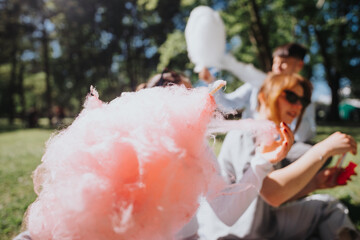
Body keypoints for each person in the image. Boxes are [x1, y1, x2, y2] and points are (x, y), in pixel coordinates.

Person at [196, 73, 359, 239]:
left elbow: (265, 199)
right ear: (263, 96)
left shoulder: (273, 136)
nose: (298, 106)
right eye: (291, 96)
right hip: (234, 233)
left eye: (303, 101)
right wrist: (322, 149)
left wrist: (316, 182)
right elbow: (272, 193)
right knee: (328, 211)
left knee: (328, 206)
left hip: (265, 223)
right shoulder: (245, 132)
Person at [201, 42, 316, 144]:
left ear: (299, 65)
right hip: (250, 143)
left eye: (284, 62)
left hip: (282, 147)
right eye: (275, 62)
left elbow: (303, 136)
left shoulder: (303, 97)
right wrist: (212, 82)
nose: (278, 67)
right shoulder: (258, 84)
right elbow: (228, 105)